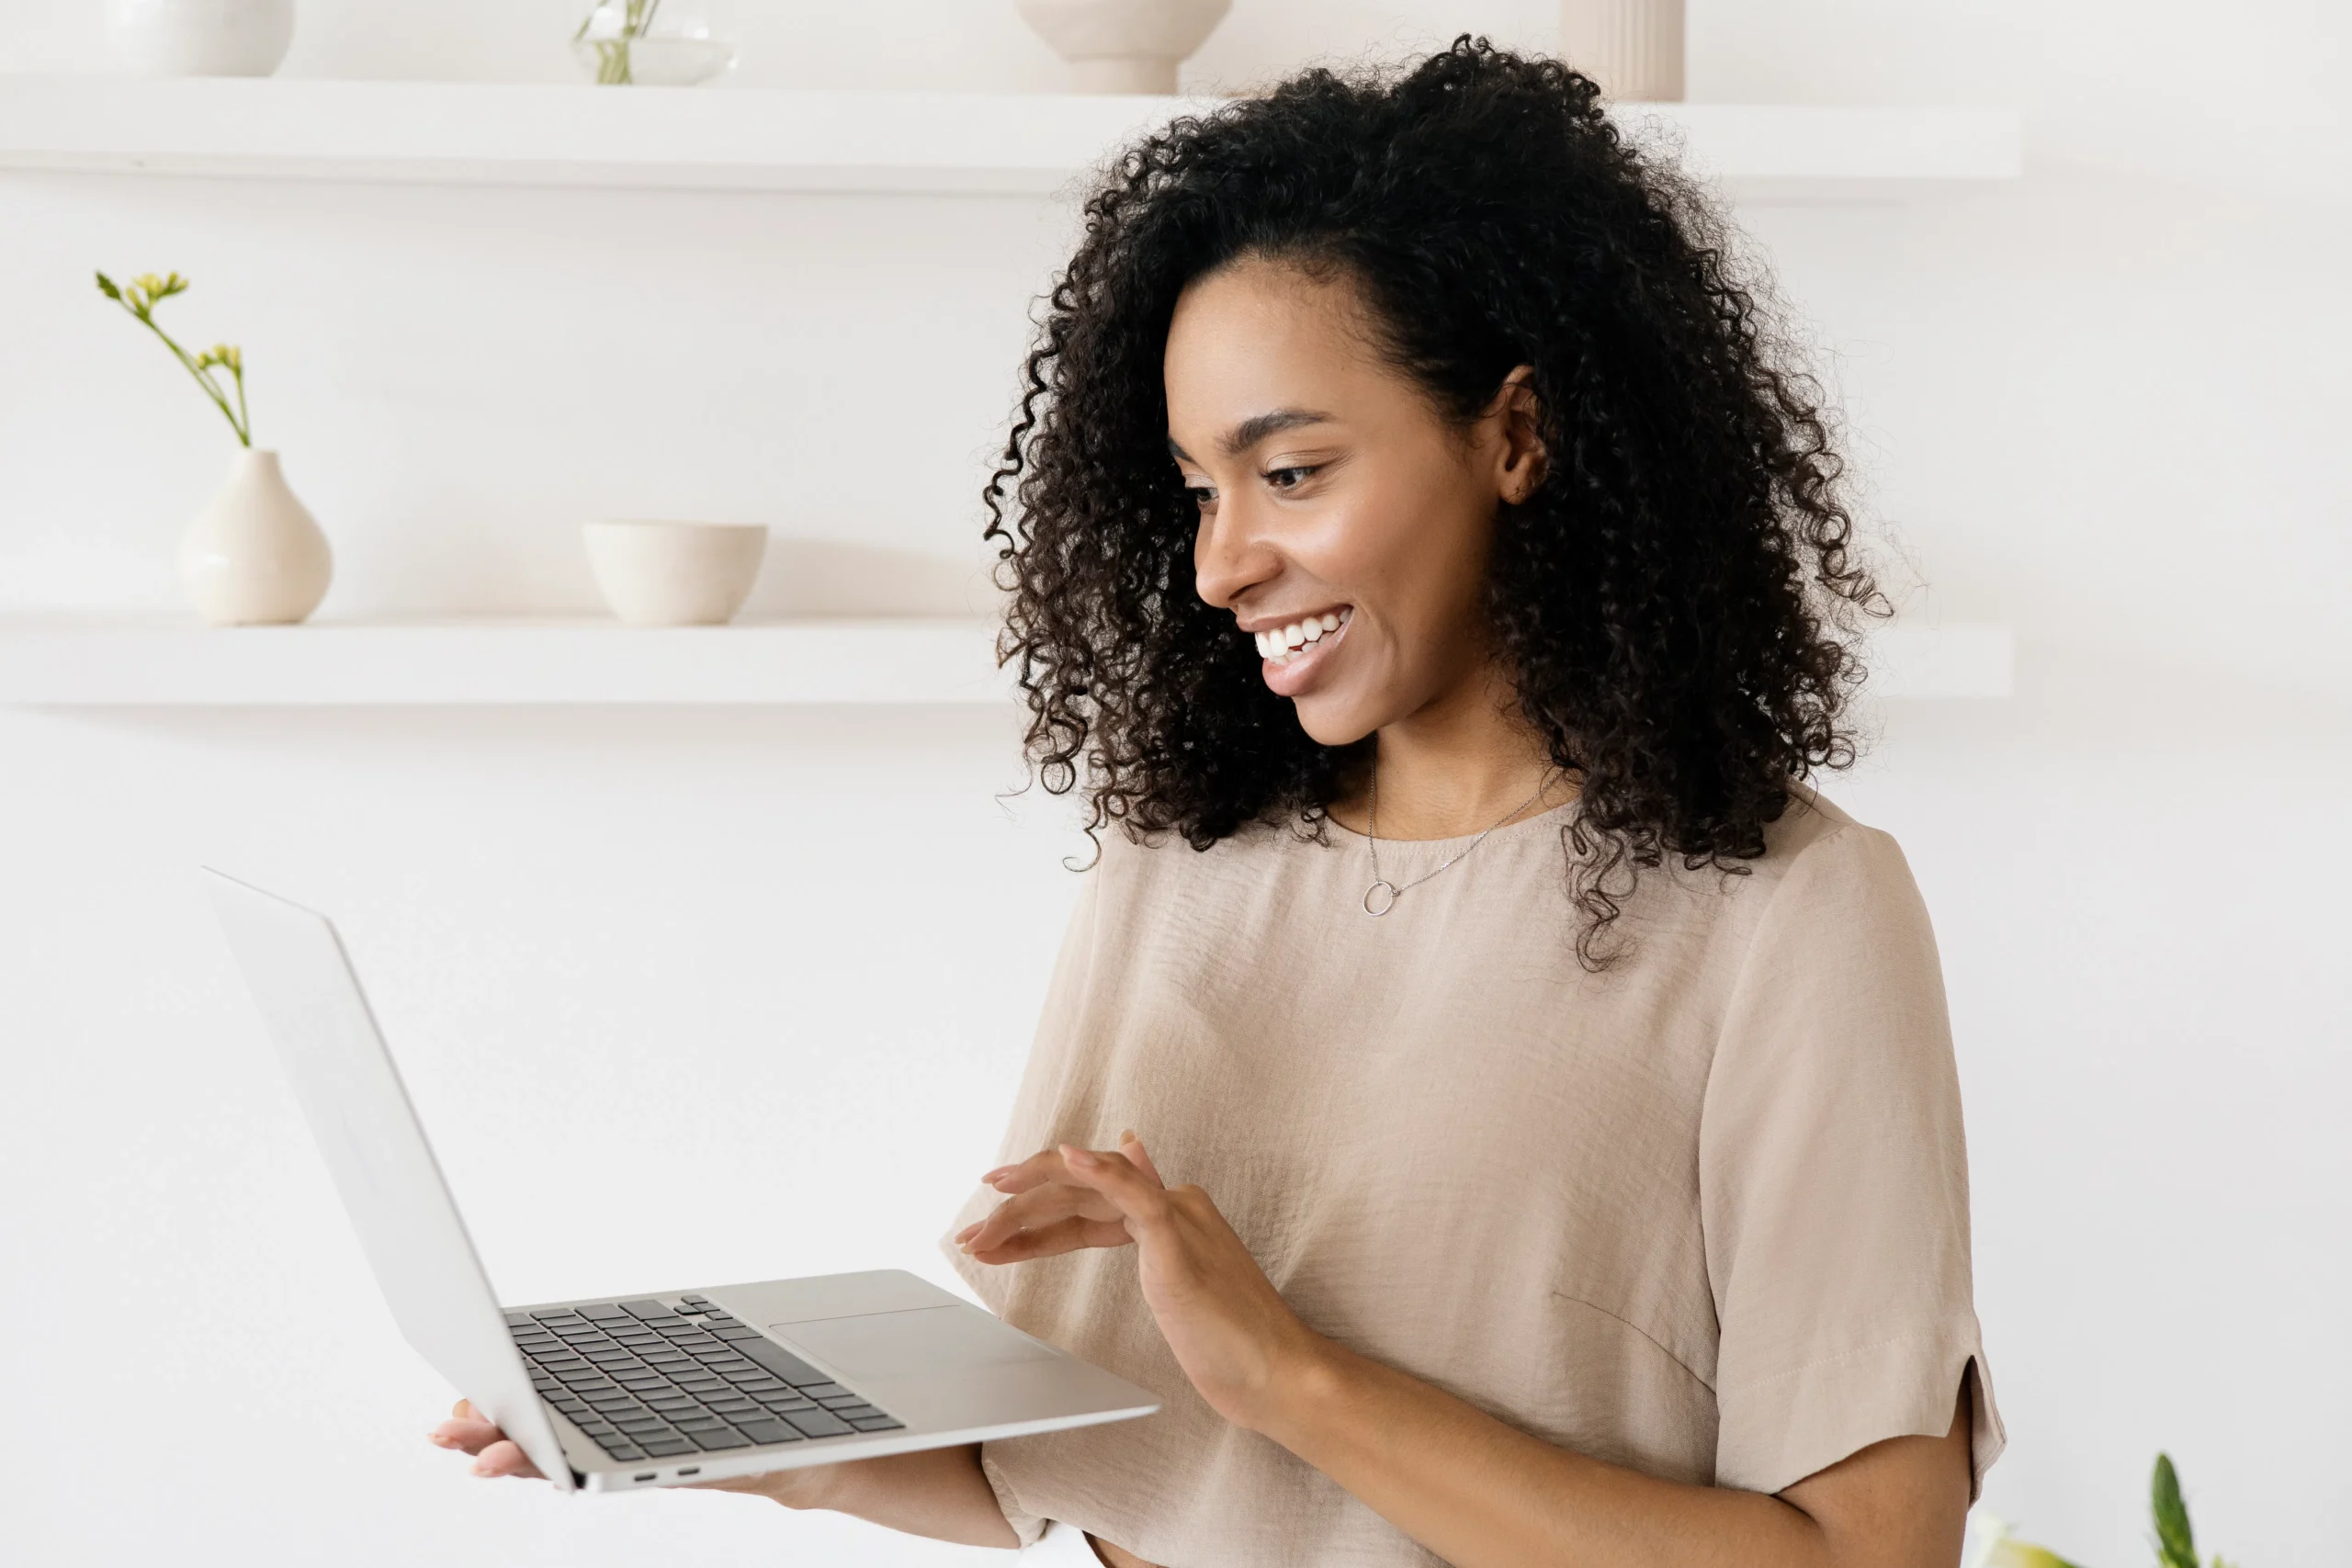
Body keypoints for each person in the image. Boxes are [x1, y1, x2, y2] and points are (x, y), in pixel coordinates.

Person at [434, 36, 2004, 1568]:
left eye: (1294, 473)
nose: (1222, 561)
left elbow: (1873, 1553)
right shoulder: (1178, 868)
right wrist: (771, 1437)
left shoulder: (1788, 913)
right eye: (1198, 489)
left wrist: (1296, 1382)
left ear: (1515, 435)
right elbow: (1073, 1456)